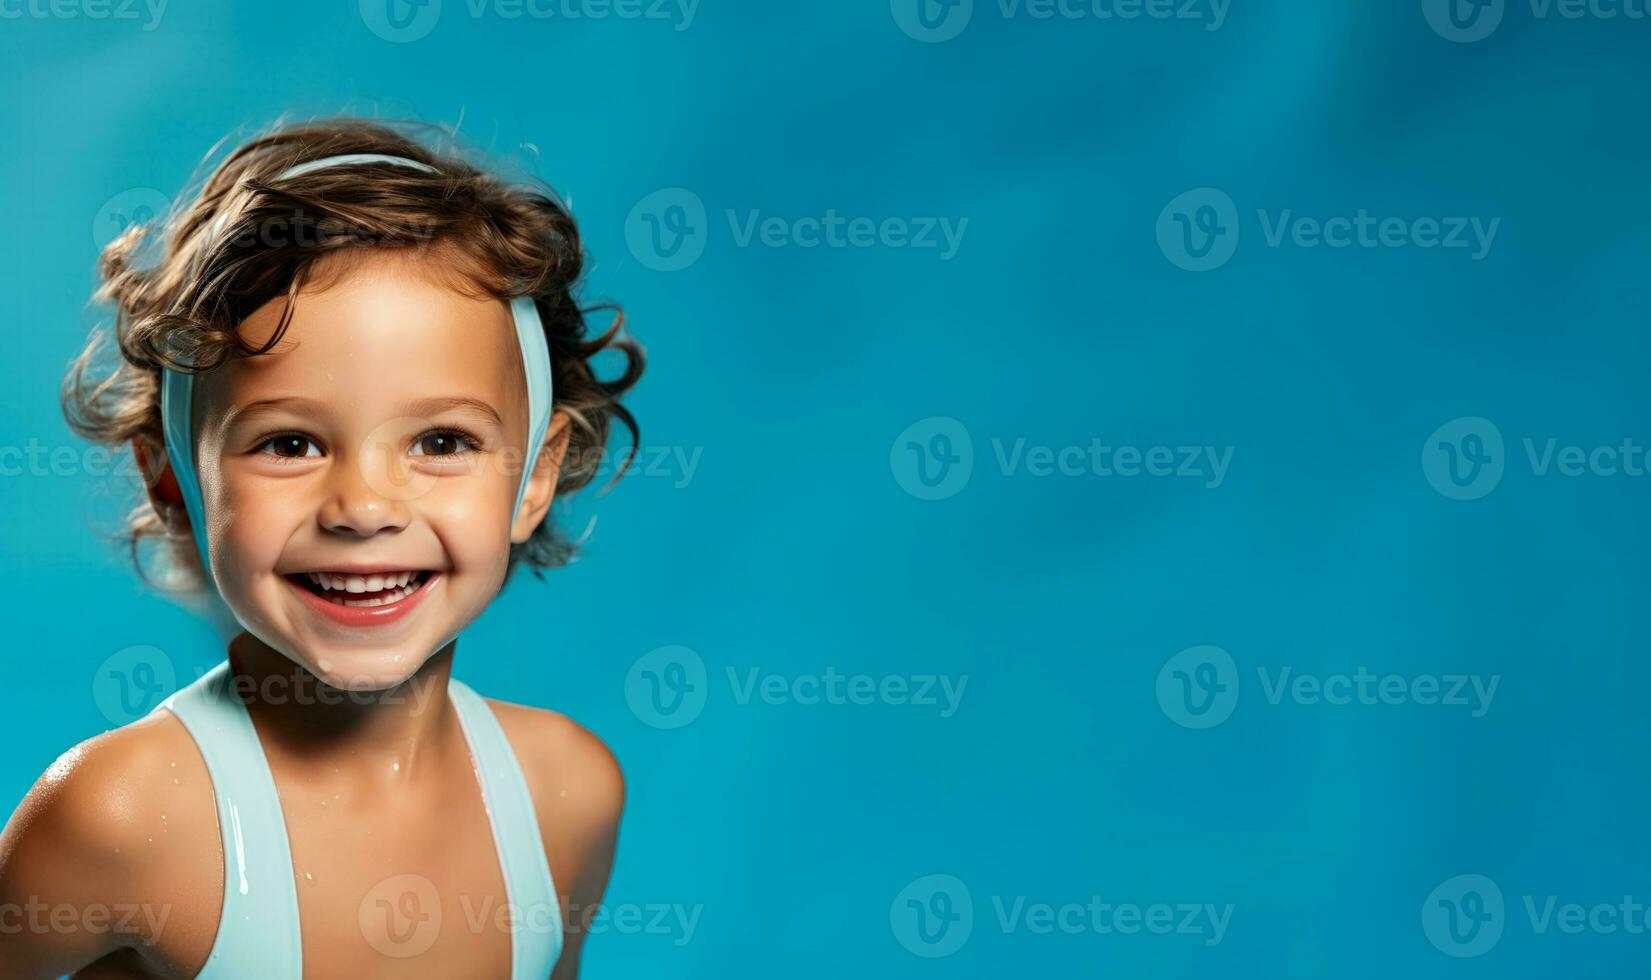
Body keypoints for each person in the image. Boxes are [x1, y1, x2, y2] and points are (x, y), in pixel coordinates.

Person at [0, 117, 645, 979]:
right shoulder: (121, 818)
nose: (363, 507)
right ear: (171, 480)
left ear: (534, 477)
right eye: (289, 444)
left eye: (442, 442)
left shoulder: (566, 794)